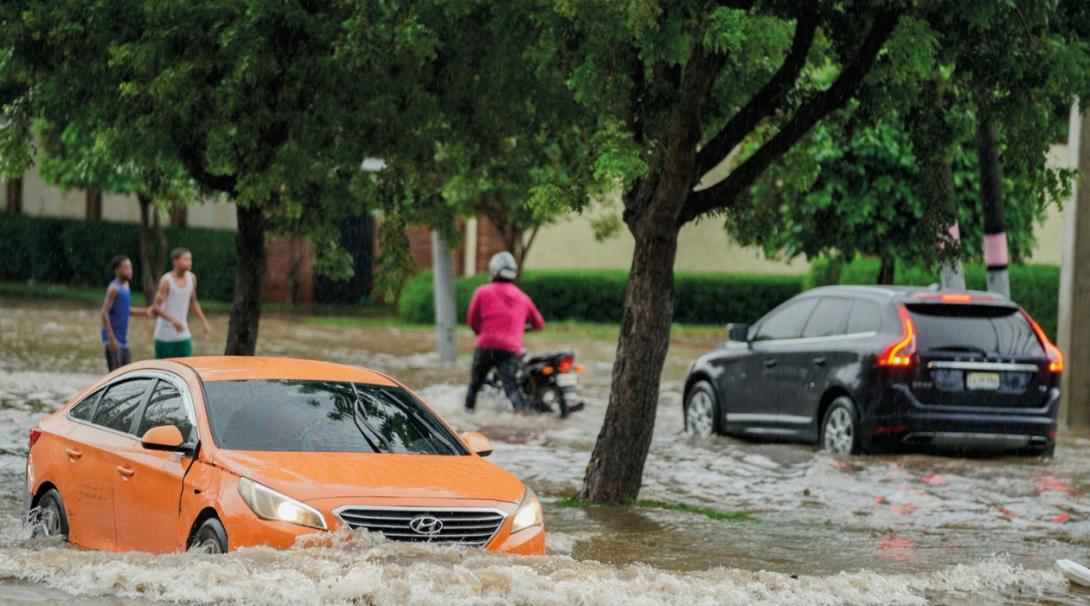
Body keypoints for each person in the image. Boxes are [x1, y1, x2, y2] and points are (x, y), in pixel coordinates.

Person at [465, 251, 544, 413]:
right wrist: (520, 329)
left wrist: (481, 332)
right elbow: (539, 324)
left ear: (493, 270)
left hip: (485, 346)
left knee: (475, 384)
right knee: (511, 387)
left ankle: (468, 412)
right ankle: (521, 413)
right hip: (511, 349)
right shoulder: (523, 297)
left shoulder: (482, 291)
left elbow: (472, 319)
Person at [153, 247, 211, 359]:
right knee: (165, 371)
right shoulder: (166, 280)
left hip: (183, 335)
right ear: (175, 261)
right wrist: (173, 320)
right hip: (164, 337)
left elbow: (193, 302)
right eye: (186, 259)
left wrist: (204, 322)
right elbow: (156, 306)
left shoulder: (192, 278)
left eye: (190, 259)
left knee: (186, 368)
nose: (190, 262)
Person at [100, 256, 155, 372]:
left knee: (126, 372)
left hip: (123, 339)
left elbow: (125, 309)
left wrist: (145, 311)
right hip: (113, 339)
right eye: (126, 268)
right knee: (115, 375)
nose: (130, 270)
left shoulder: (126, 287)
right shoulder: (114, 289)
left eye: (130, 267)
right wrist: (111, 338)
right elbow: (104, 313)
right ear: (117, 270)